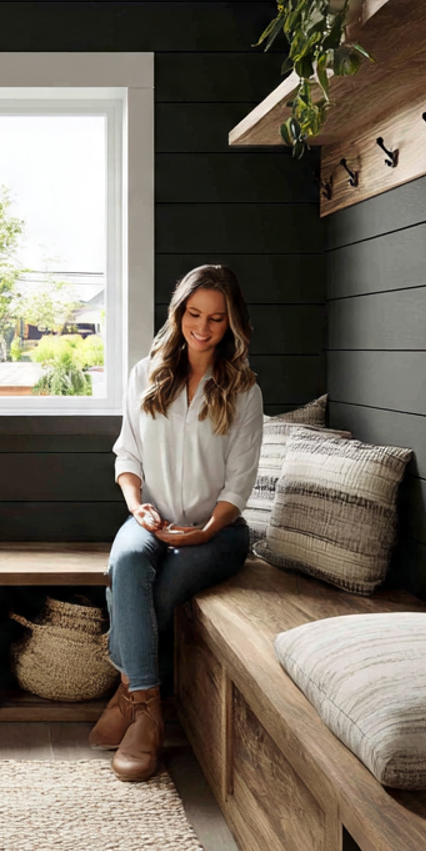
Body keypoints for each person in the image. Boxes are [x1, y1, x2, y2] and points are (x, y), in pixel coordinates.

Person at [91, 264, 263, 782]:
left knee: (156, 592)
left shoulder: (244, 391)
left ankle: (132, 696)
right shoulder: (144, 374)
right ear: (179, 312)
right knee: (125, 561)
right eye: (194, 314)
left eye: (216, 318)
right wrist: (136, 506)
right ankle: (149, 705)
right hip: (149, 520)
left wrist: (207, 529)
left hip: (219, 535)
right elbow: (127, 453)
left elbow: (239, 484)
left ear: (231, 323)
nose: (203, 328)